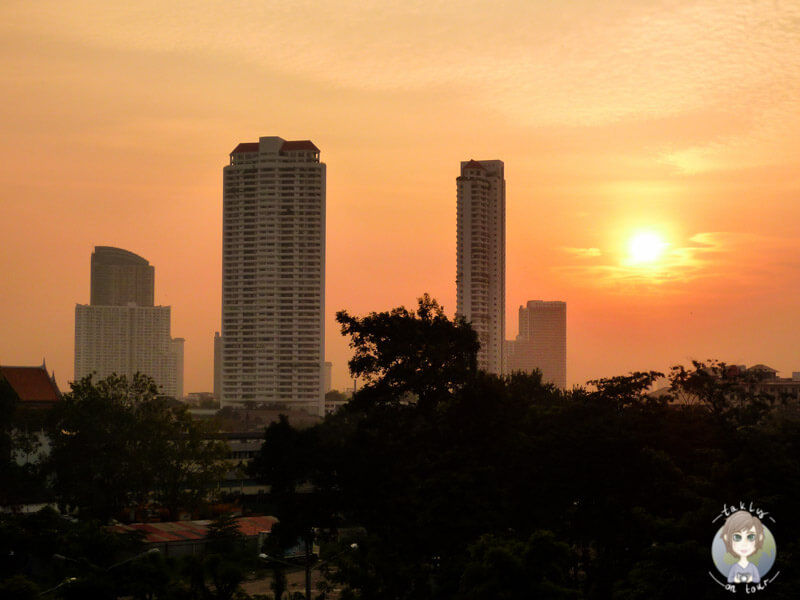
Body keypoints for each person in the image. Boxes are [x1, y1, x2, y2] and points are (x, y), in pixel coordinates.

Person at [720, 511, 765, 583]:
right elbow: (729, 579)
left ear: (760, 538)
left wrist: (750, 579)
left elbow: (757, 579)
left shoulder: (752, 567)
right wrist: (735, 579)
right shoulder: (734, 567)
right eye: (737, 537)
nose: (744, 544)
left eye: (751, 537)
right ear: (727, 538)